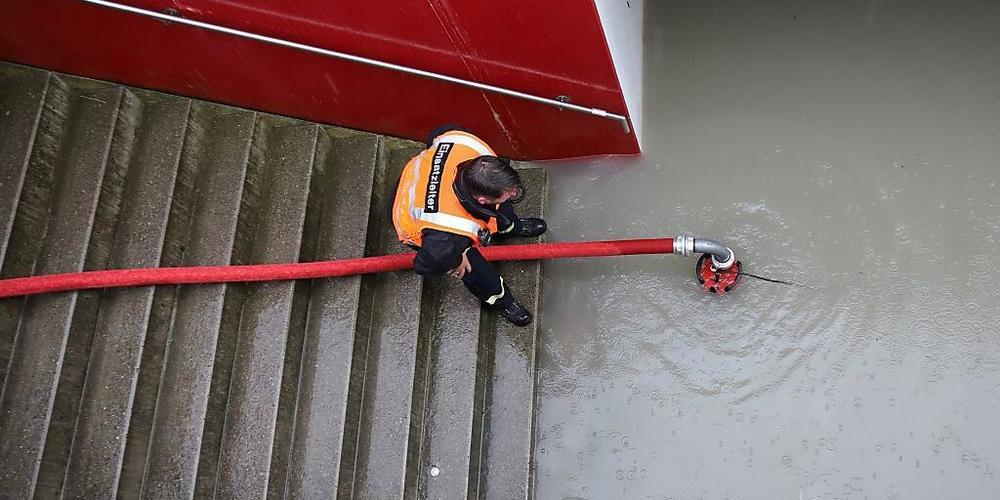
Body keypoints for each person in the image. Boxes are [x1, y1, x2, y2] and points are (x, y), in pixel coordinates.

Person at [392, 128, 547, 326]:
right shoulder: (447, 235)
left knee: (503, 207)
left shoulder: (469, 146)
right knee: (478, 273)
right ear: (482, 200)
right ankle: (501, 301)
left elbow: (437, 133)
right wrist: (456, 258)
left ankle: (512, 228)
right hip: (415, 218)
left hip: (420, 179)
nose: (514, 193)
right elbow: (425, 264)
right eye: (510, 192)